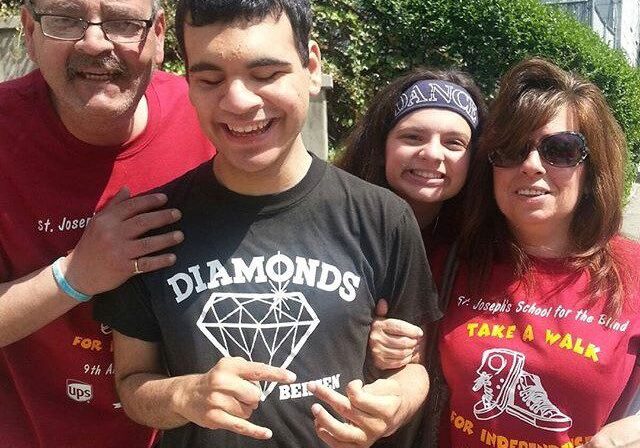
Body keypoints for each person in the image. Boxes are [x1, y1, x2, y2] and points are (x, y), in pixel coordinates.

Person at [93, 0, 441, 447]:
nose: (238, 101)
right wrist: (184, 393)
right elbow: (131, 383)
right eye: (209, 79)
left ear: (311, 67)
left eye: (266, 74)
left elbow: (416, 366)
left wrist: (396, 400)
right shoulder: (148, 227)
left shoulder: (384, 217)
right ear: (189, 84)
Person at [368, 58, 640, 447]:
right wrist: (384, 344)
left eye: (559, 150)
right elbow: (408, 366)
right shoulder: (447, 259)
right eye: (511, 149)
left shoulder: (633, 271)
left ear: (592, 168)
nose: (531, 165)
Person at [0, 0, 215, 446]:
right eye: (65, 19)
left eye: (122, 22)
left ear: (157, 35)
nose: (95, 42)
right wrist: (75, 276)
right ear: (29, 31)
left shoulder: (209, 119)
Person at [338, 68, 487, 254]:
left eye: (453, 143)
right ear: (379, 149)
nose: (432, 154)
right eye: (413, 137)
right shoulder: (332, 227)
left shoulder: (483, 252)